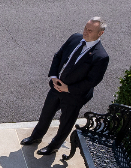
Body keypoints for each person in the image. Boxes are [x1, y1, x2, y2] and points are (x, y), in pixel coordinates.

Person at [21, 17, 110, 155]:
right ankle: (36, 137)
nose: (85, 32)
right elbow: (58, 56)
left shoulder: (101, 56)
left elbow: (92, 81)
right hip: (57, 87)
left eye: (90, 30)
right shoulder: (75, 38)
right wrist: (54, 77)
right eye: (85, 28)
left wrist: (68, 89)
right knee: (46, 114)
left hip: (74, 95)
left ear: (100, 33)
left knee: (65, 122)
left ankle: (54, 146)